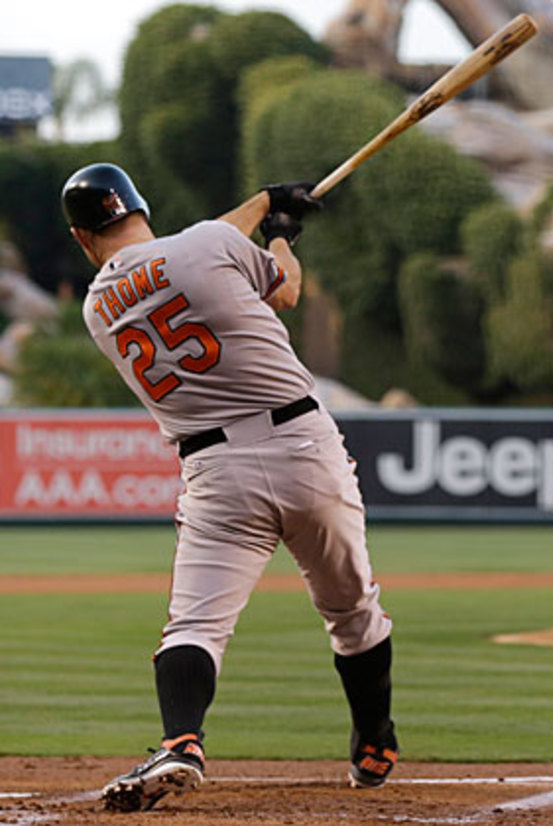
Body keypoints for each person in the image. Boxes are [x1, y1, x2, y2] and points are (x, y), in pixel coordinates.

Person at [62, 163, 398, 812]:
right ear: (140, 205)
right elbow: (286, 291)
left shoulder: (96, 307)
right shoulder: (205, 245)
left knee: (194, 624)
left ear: (81, 238)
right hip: (304, 447)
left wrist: (265, 204)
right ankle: (375, 741)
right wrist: (279, 240)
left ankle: (182, 741)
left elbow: (189, 252)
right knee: (352, 610)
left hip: (214, 471)